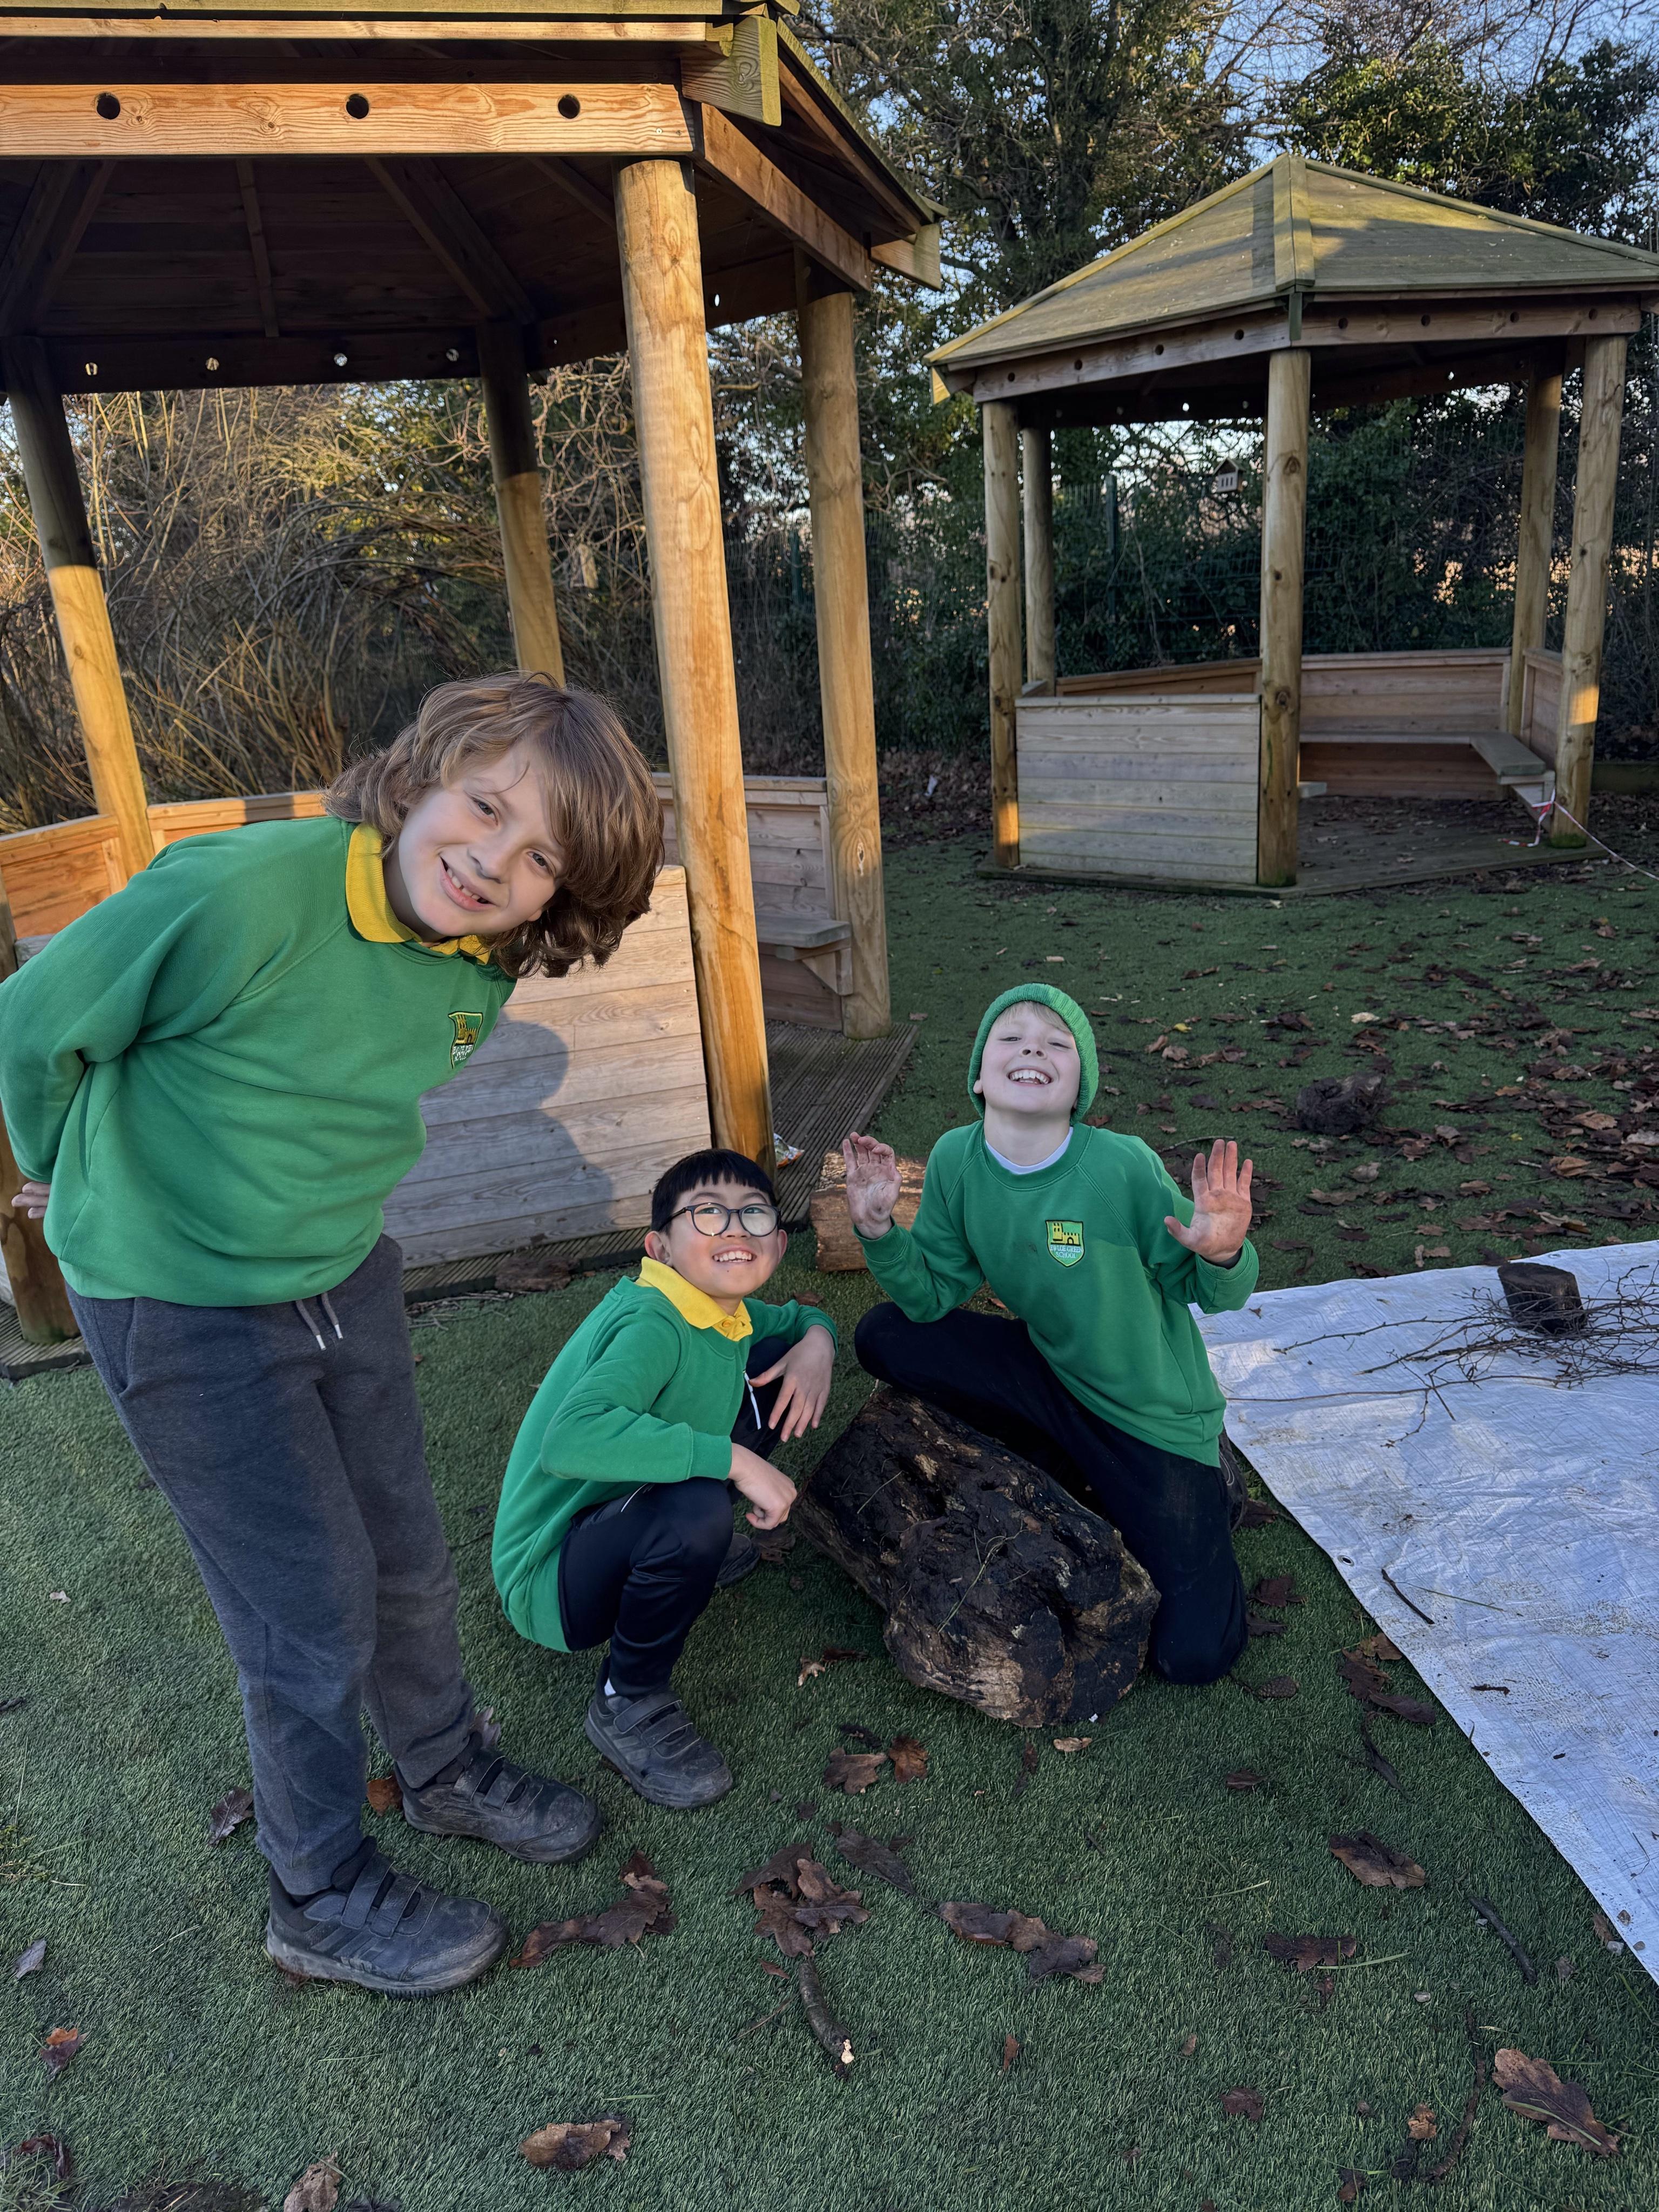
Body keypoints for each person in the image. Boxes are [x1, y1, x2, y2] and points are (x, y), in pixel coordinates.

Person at [0, 673, 666, 1998]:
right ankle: (315, 1890)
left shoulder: (478, 961)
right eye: (486, 806)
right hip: (181, 1304)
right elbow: (30, 1028)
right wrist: (66, 1171)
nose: (494, 860)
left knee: (407, 1561)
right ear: (424, 771)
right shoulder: (245, 892)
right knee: (308, 1610)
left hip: (343, 1276)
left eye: (542, 857)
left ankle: (443, 1768)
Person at [842, 983, 1258, 1688]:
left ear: (1078, 1089)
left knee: (1194, 1657)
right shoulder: (956, 1158)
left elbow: (1209, 1291)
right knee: (884, 1334)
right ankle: (1056, 1451)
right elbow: (932, 1293)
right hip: (1049, 1371)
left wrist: (1222, 1252)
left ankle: (1207, 1484)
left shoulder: (1120, 1166)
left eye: (1056, 1043)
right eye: (1010, 1038)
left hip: (1149, 1415)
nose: (1032, 1047)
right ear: (980, 1076)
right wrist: (878, 1229)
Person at [493, 1148, 836, 1809]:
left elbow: (793, 1320)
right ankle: (628, 1698)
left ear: (778, 1243)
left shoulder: (721, 1308)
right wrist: (737, 1460)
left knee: (772, 1360)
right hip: (549, 1576)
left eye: (754, 1214)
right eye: (707, 1213)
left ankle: (675, 1555)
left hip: (615, 1516)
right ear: (660, 1247)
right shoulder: (654, 1321)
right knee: (697, 1512)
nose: (733, 1228)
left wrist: (817, 1341)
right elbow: (571, 1439)